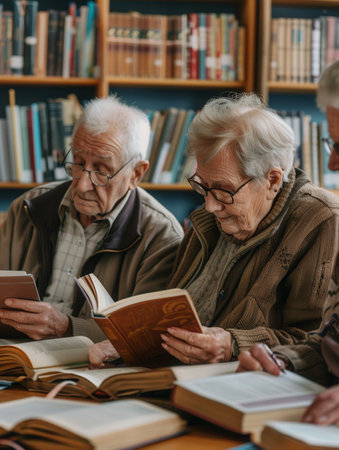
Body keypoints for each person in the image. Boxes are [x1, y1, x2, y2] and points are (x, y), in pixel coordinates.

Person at [89, 91, 339, 368]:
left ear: (272, 181)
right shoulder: (210, 222)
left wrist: (231, 344)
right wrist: (133, 341)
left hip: (244, 388)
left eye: (222, 190)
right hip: (172, 375)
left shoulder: (322, 220)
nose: (209, 206)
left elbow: (316, 344)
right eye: (202, 186)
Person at [0, 96, 183, 342]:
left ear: (136, 174)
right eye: (77, 162)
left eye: (101, 171)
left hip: (94, 370)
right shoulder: (26, 208)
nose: (83, 185)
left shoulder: (162, 237)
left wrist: (68, 328)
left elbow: (147, 335)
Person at [238, 60, 339, 426]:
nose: (333, 162)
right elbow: (331, 346)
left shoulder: (324, 215)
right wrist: (282, 361)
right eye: (332, 144)